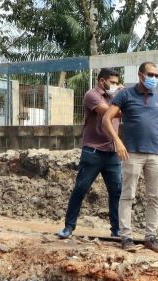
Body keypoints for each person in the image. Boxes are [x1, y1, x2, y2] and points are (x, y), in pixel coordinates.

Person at [103, 62, 158, 253]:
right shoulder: (125, 94)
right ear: (140, 75)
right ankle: (126, 237)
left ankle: (150, 237)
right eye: (151, 74)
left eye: (157, 76)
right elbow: (106, 119)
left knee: (154, 197)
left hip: (155, 154)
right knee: (128, 195)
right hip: (132, 153)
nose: (154, 78)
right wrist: (117, 142)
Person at [56, 68, 123, 239]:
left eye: (117, 83)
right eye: (112, 82)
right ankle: (69, 227)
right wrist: (122, 98)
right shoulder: (92, 95)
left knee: (117, 191)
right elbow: (108, 112)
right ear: (102, 81)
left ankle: (116, 230)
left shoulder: (115, 97)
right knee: (81, 188)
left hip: (112, 152)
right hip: (93, 151)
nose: (115, 85)